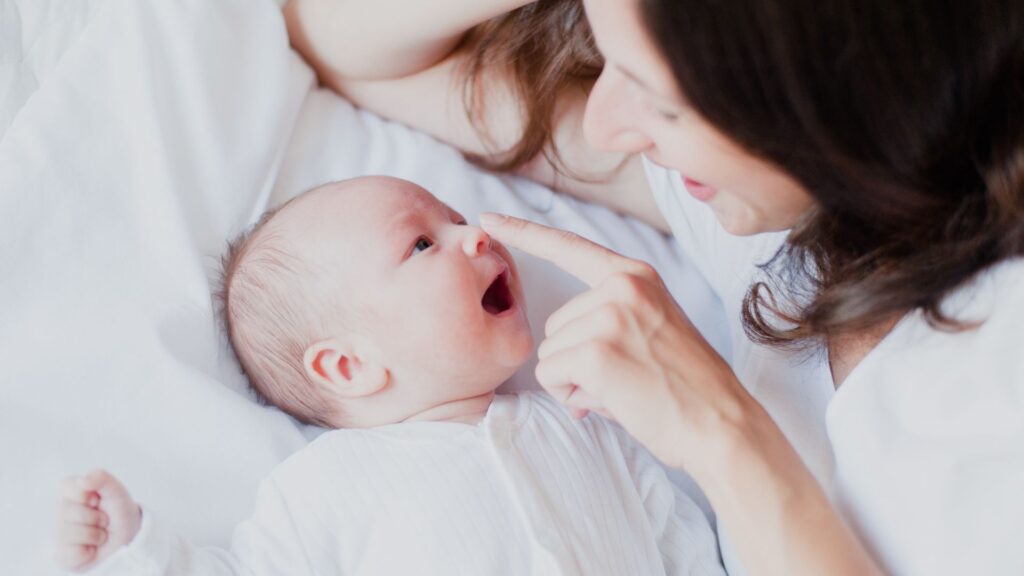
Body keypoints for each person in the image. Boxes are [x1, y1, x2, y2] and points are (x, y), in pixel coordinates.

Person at [285, 0, 1024, 574]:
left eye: (655, 97)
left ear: (834, 112)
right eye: (609, 62)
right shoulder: (782, 219)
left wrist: (719, 429)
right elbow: (352, 49)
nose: (605, 125)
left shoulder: (992, 371)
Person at [54, 176, 725, 576]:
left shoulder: (585, 420)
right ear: (349, 366)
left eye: (457, 220)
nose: (476, 237)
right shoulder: (324, 486)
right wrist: (135, 547)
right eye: (423, 244)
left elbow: (684, 547)